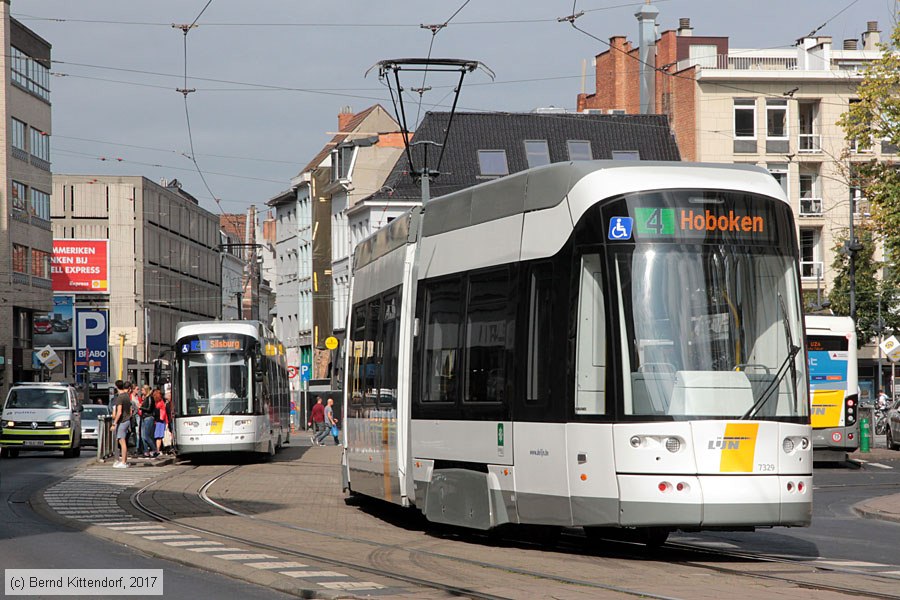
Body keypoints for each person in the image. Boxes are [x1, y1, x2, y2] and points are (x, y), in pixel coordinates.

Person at [110, 380, 132, 468]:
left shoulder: (120, 397)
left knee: (122, 441)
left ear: (116, 387)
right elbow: (130, 410)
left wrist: (114, 424)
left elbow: (119, 412)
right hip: (127, 420)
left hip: (122, 421)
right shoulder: (127, 396)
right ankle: (124, 461)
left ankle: (123, 462)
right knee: (123, 441)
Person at [139, 384, 155, 457]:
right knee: (142, 436)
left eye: (142, 390)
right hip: (144, 418)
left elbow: (149, 409)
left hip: (148, 417)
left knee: (146, 436)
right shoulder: (145, 398)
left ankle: (154, 449)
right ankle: (146, 451)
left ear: (146, 390)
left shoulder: (150, 398)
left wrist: (141, 407)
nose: (141, 391)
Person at [152, 388, 168, 457]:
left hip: (159, 421)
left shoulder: (158, 403)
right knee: (159, 436)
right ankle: (158, 449)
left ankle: (158, 449)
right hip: (161, 421)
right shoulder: (161, 403)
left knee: (158, 437)